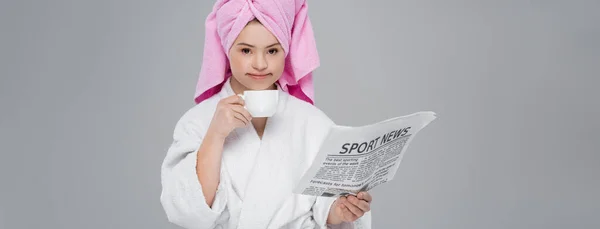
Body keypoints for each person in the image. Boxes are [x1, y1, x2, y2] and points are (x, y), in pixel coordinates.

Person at [160, 0, 373, 228]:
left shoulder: (313, 122)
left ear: (286, 50)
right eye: (246, 50)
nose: (260, 64)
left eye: (272, 50)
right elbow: (187, 212)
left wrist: (340, 211)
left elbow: (326, 210)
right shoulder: (198, 122)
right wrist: (215, 135)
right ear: (226, 48)